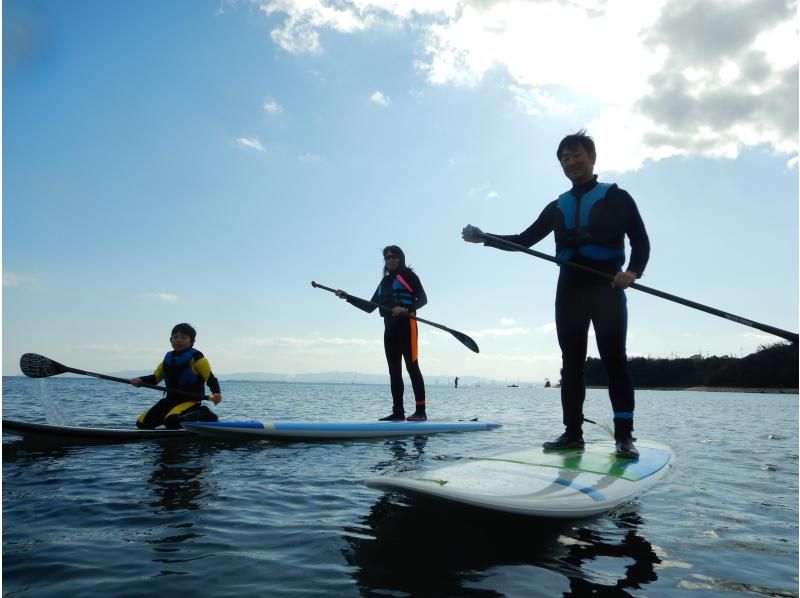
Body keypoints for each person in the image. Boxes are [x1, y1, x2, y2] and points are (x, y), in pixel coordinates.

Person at [462, 130, 649, 458]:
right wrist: (485, 238)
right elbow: (524, 240)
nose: (571, 161)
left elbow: (640, 239)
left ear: (592, 157)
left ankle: (624, 437)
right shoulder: (557, 206)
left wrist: (632, 273)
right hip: (570, 290)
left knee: (614, 362)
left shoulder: (616, 197)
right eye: (564, 157)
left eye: (576, 154)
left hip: (607, 287)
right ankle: (573, 434)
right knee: (571, 365)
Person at [336, 245, 428, 421]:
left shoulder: (409, 276)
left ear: (401, 258)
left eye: (394, 257)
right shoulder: (384, 282)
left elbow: (423, 299)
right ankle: (398, 412)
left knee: (412, 367)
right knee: (394, 371)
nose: (391, 260)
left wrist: (406, 308)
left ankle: (421, 412)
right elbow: (370, 307)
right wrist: (348, 297)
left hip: (407, 326)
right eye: (387, 258)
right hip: (389, 329)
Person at [130, 322, 223, 429]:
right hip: (170, 400)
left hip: (190, 401)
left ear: (192, 341)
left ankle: (203, 412)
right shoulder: (168, 358)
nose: (178, 340)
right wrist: (139, 380)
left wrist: (216, 393)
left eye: (183, 338)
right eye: (175, 337)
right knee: (142, 423)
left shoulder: (197, 358)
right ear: (171, 340)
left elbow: (210, 379)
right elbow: (155, 378)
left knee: (171, 422)